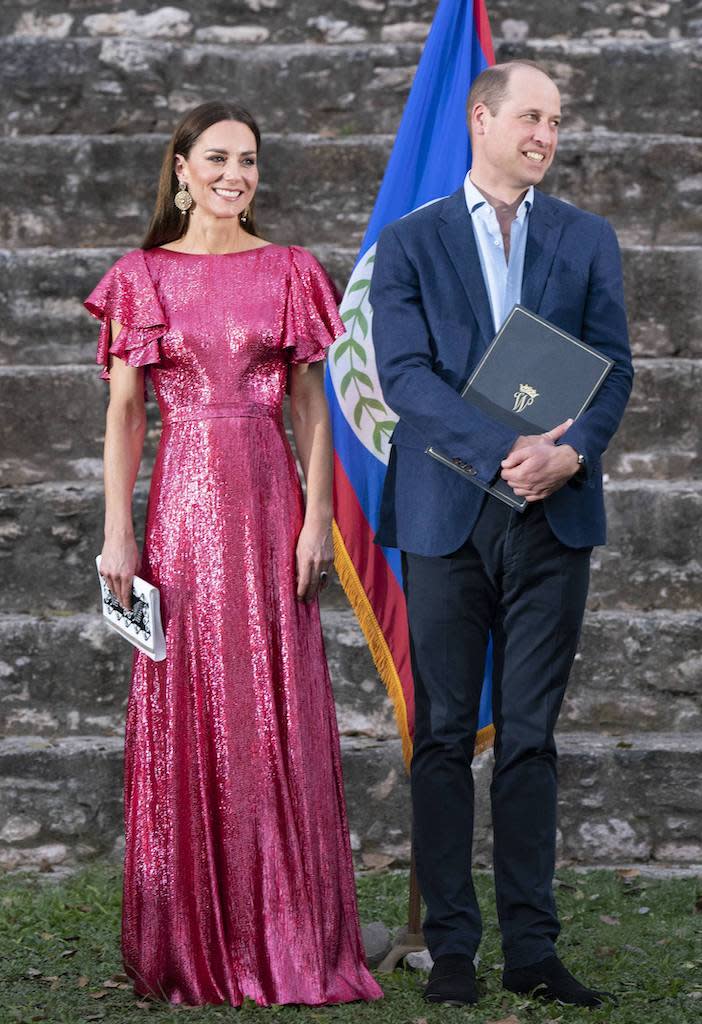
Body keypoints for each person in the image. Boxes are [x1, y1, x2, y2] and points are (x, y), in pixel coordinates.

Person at [84, 101, 382, 1008]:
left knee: (276, 705)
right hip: (180, 509)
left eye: (247, 160)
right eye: (215, 158)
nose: (233, 174)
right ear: (179, 168)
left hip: (269, 502)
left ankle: (287, 932)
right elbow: (128, 415)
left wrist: (316, 517)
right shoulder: (141, 277)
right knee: (194, 703)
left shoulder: (291, 270)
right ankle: (197, 936)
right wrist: (117, 528)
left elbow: (311, 410)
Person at [370, 61, 633, 1007]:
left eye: (556, 121)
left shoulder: (586, 236)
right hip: (446, 518)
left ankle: (532, 949)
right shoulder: (410, 242)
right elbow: (403, 377)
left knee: (530, 737)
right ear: (481, 118)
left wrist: (572, 455)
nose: (546, 135)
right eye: (532, 116)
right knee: (442, 736)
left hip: (555, 517)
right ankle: (451, 950)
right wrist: (507, 449)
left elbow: (614, 367)